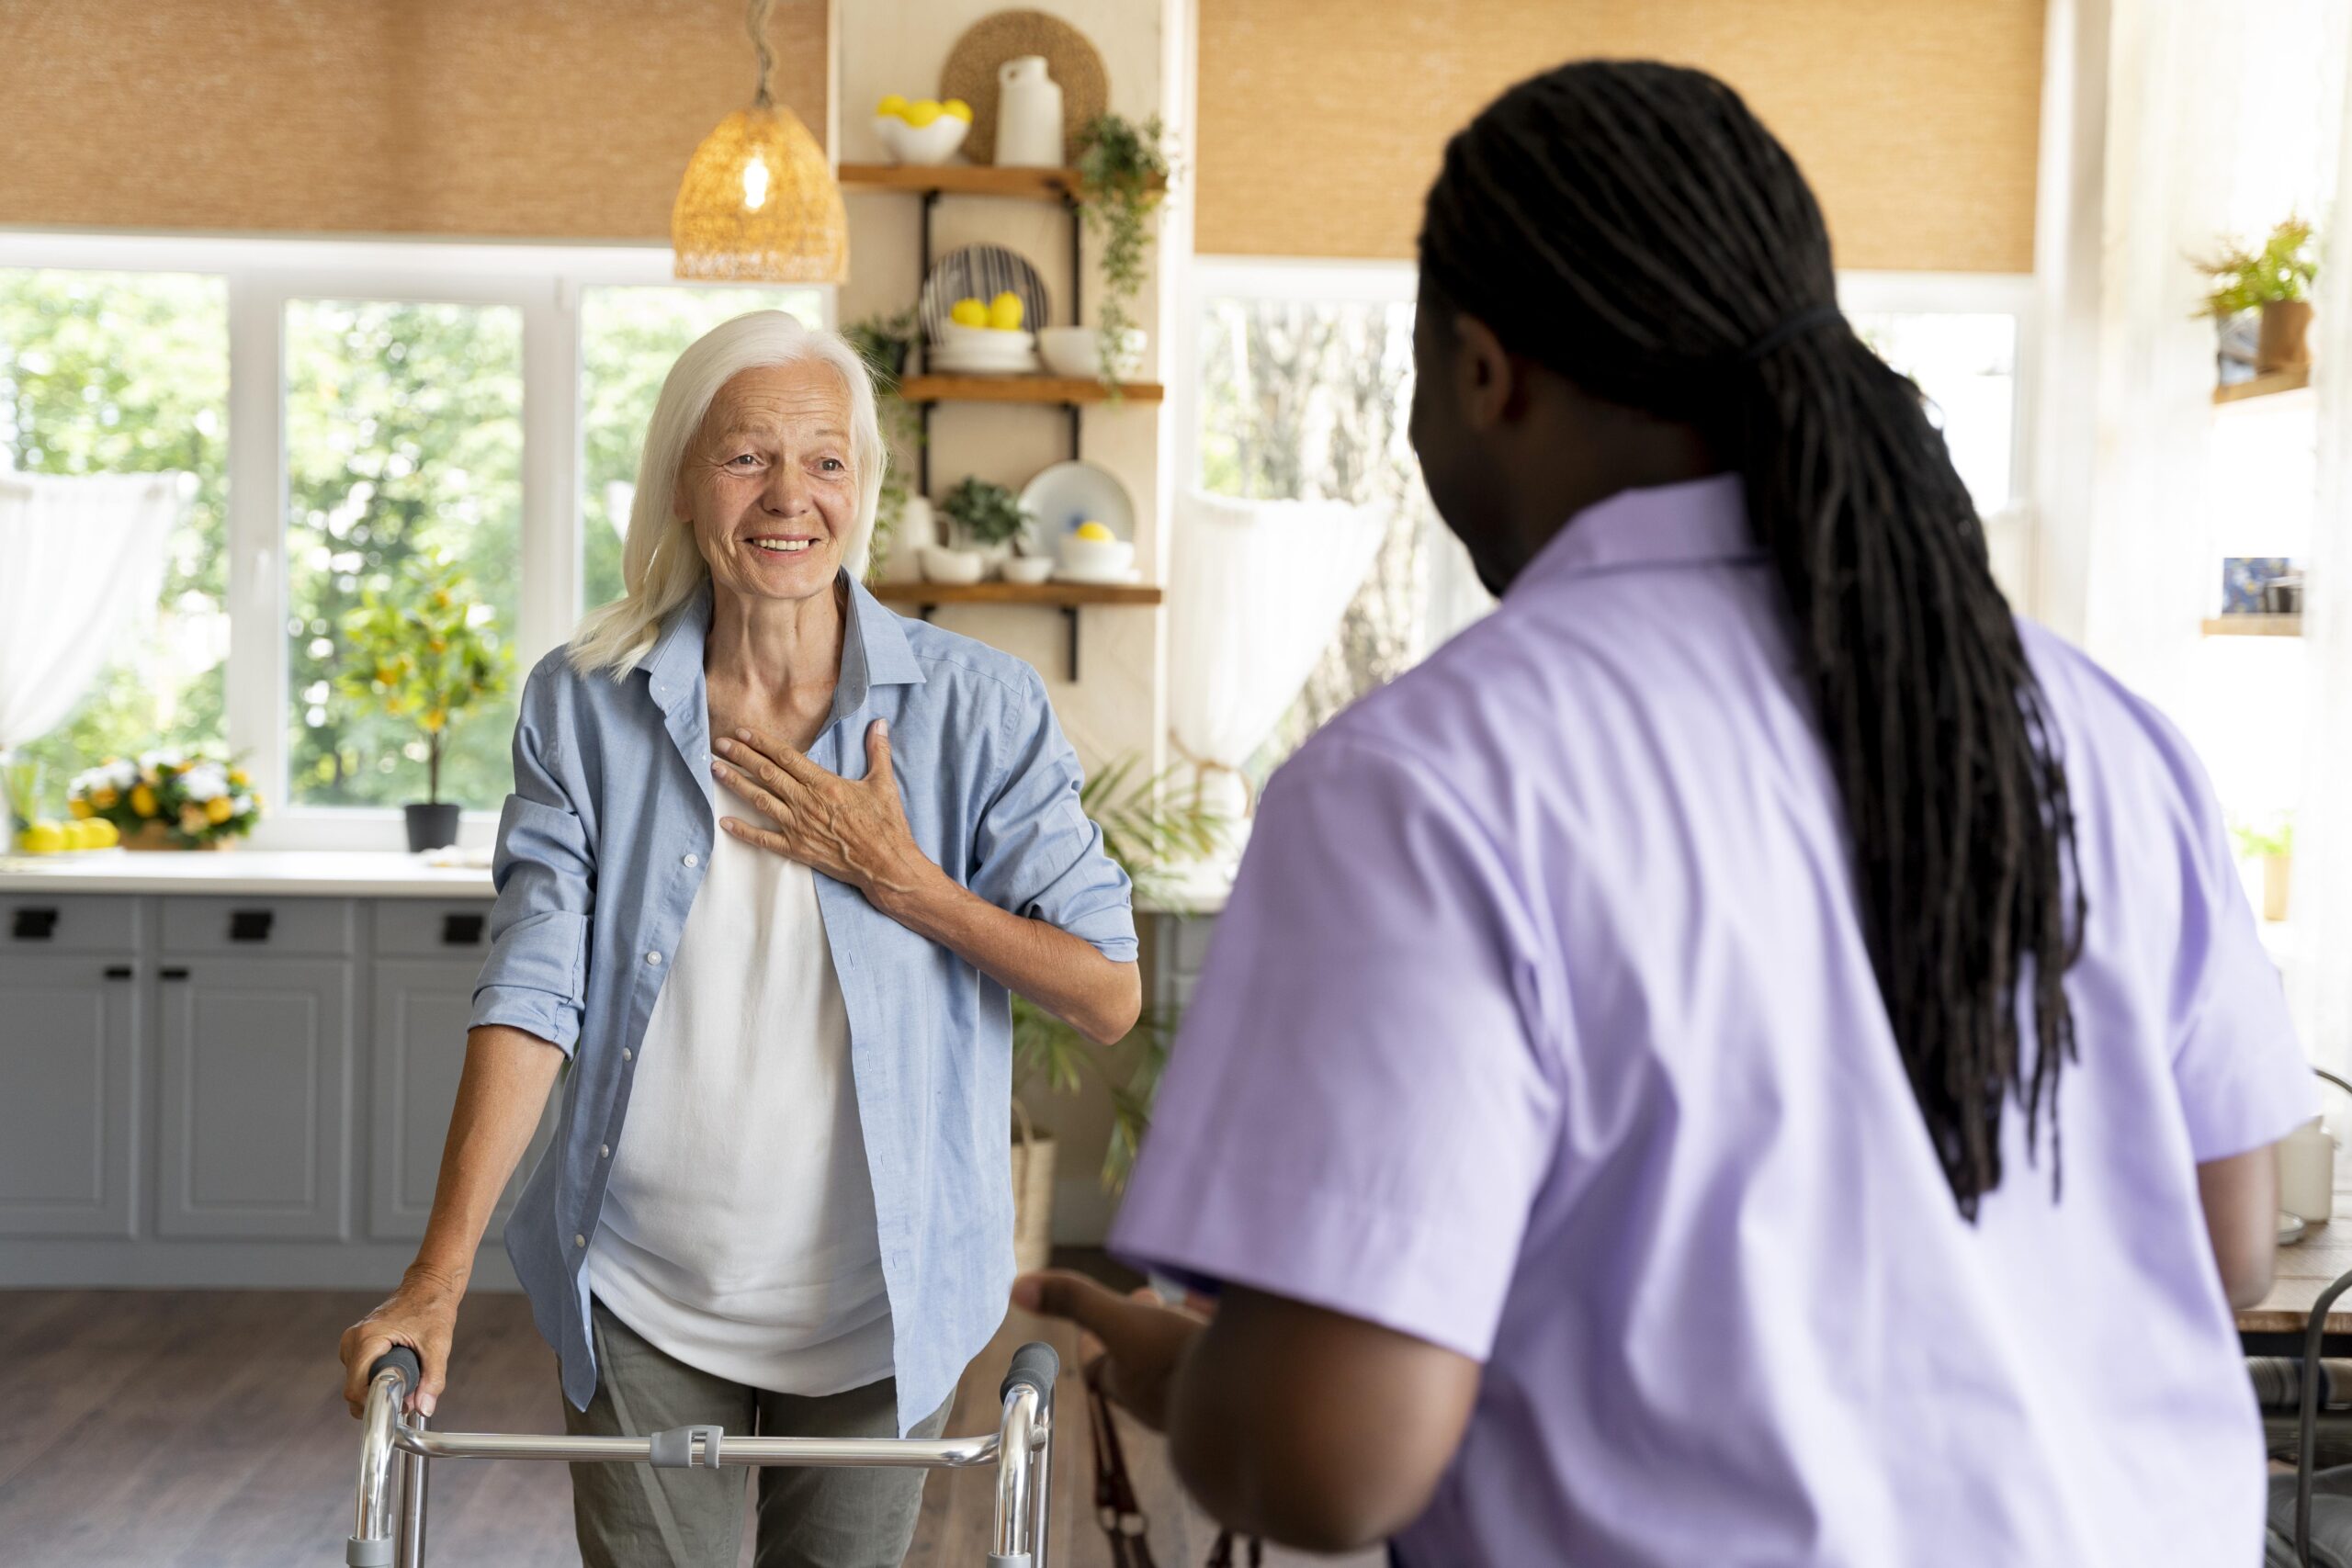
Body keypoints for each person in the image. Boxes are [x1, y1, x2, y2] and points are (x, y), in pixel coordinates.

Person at [1017, 60, 2309, 1567]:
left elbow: (1326, 1462)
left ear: (1483, 375)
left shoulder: (1426, 784)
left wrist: (1195, 1379)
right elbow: (2226, 1246)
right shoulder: (2097, 735)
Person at [338, 310, 1141, 1568]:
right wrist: (435, 1278)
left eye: (825, 461)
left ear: (862, 489)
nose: (788, 497)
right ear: (681, 479)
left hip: (882, 1310)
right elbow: (534, 990)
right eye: (746, 457)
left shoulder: (979, 709)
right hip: (641, 1296)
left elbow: (1106, 993)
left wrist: (903, 880)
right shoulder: (584, 704)